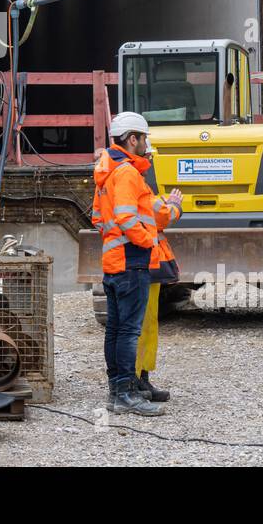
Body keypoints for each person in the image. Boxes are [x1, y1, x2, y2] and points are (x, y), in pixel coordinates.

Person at [91, 112, 177, 416]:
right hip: (132, 262)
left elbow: (99, 219)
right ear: (132, 139)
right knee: (128, 331)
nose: (145, 143)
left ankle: (117, 392)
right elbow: (128, 218)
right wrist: (148, 240)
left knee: (115, 330)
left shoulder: (106, 172)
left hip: (114, 262)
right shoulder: (127, 173)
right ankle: (126, 394)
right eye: (143, 138)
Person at [132, 184, 183, 403]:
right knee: (142, 326)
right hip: (141, 262)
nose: (151, 156)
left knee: (142, 325)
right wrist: (173, 205)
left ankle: (139, 378)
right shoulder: (131, 177)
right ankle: (134, 380)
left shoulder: (114, 177)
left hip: (134, 263)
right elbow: (161, 216)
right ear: (134, 146)